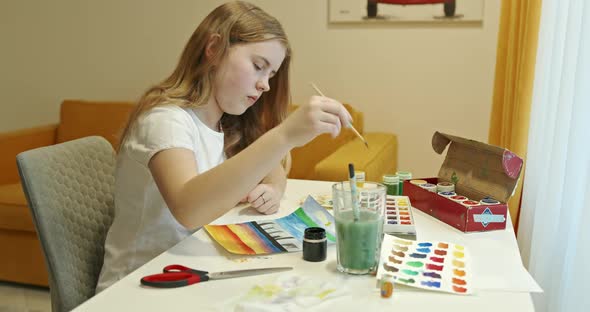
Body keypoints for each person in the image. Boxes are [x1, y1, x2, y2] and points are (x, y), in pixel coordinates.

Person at [96, 1, 352, 292]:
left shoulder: (226, 124)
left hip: (193, 275)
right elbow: (188, 207)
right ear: (214, 49)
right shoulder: (164, 120)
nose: (266, 85)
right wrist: (285, 135)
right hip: (136, 288)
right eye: (258, 67)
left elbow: (272, 168)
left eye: (271, 75)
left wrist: (273, 188)